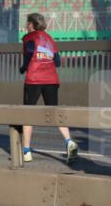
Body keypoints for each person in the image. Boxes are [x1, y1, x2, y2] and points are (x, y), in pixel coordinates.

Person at [19, 12, 78, 164]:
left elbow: (31, 50)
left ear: (31, 24)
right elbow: (57, 62)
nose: (26, 26)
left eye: (27, 23)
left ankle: (26, 151)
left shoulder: (29, 37)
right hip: (52, 79)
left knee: (28, 114)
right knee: (54, 111)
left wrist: (23, 66)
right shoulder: (50, 39)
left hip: (34, 79)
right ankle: (69, 141)